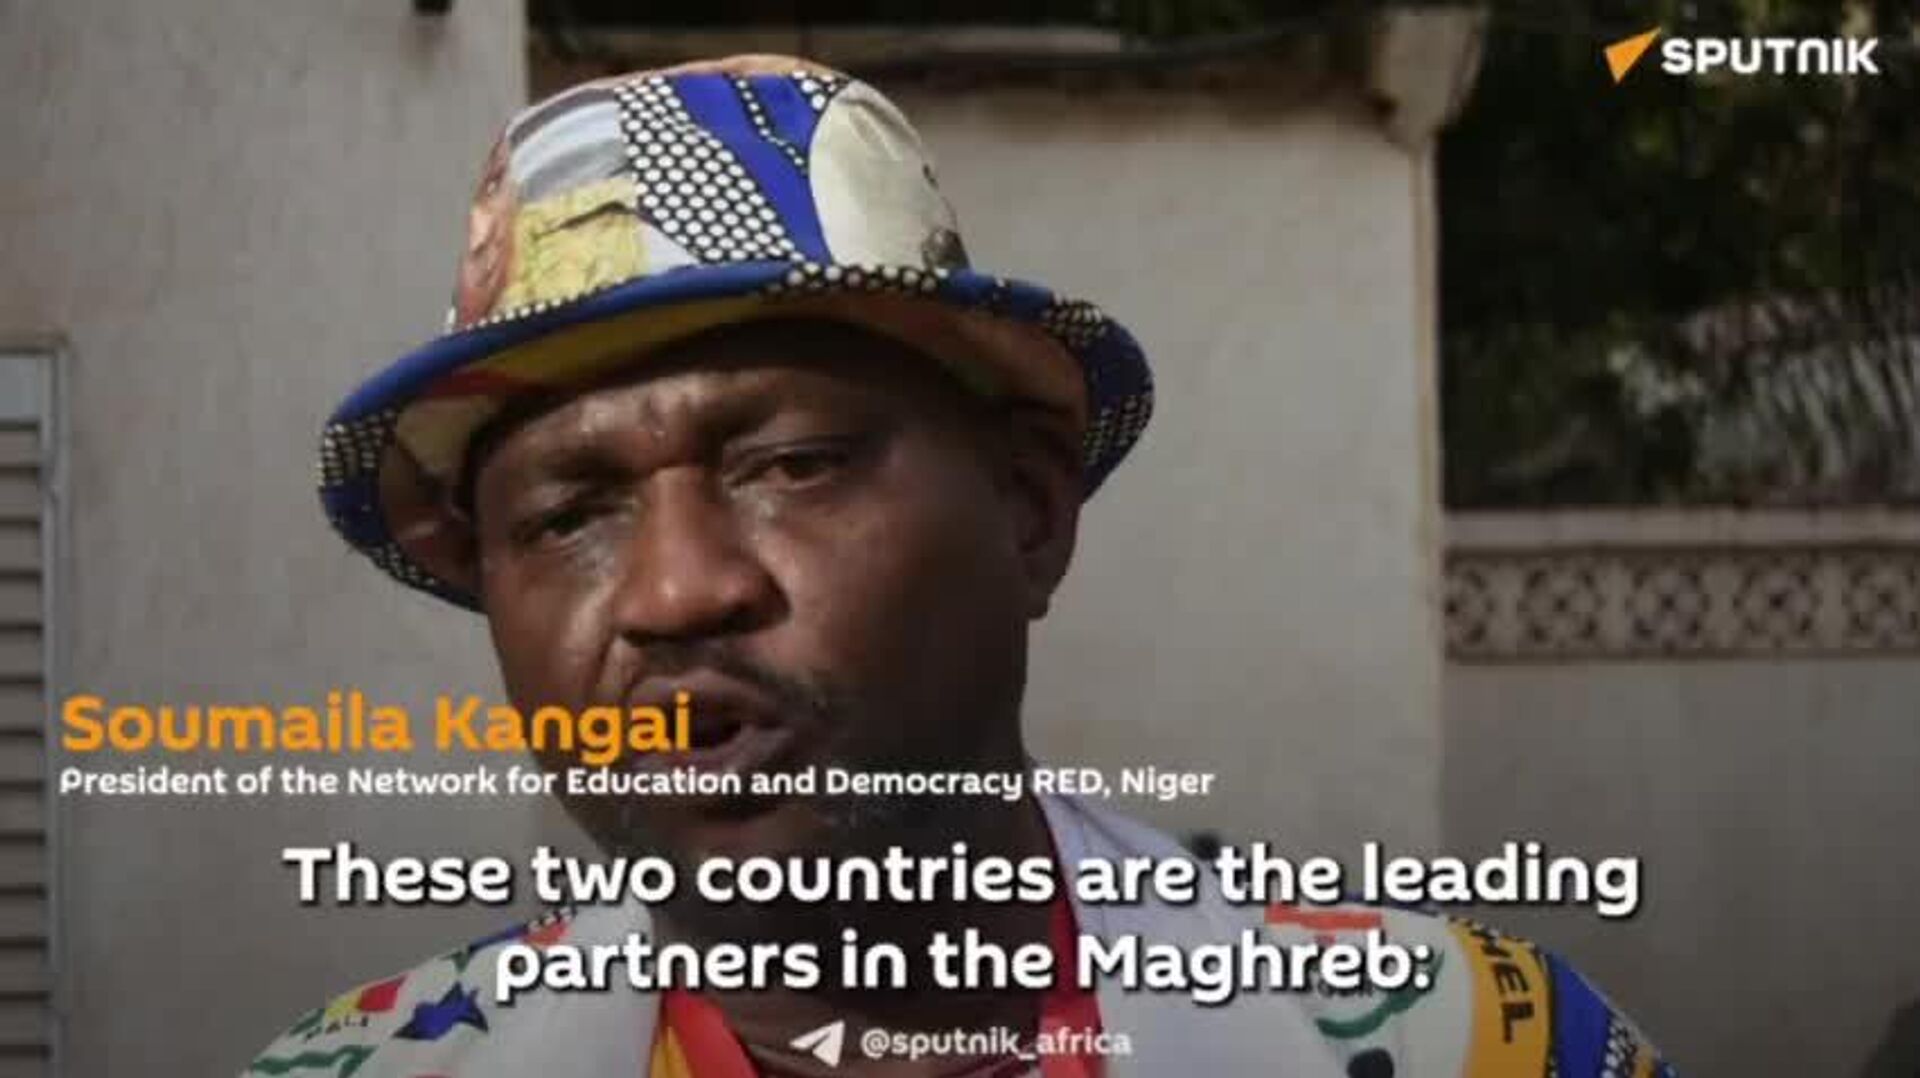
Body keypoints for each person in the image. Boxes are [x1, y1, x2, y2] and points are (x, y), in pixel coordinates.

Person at [255, 54, 1676, 1077]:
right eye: (568, 518)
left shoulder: (1478, 1045)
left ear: (1031, 513)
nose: (677, 591)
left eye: (791, 463)